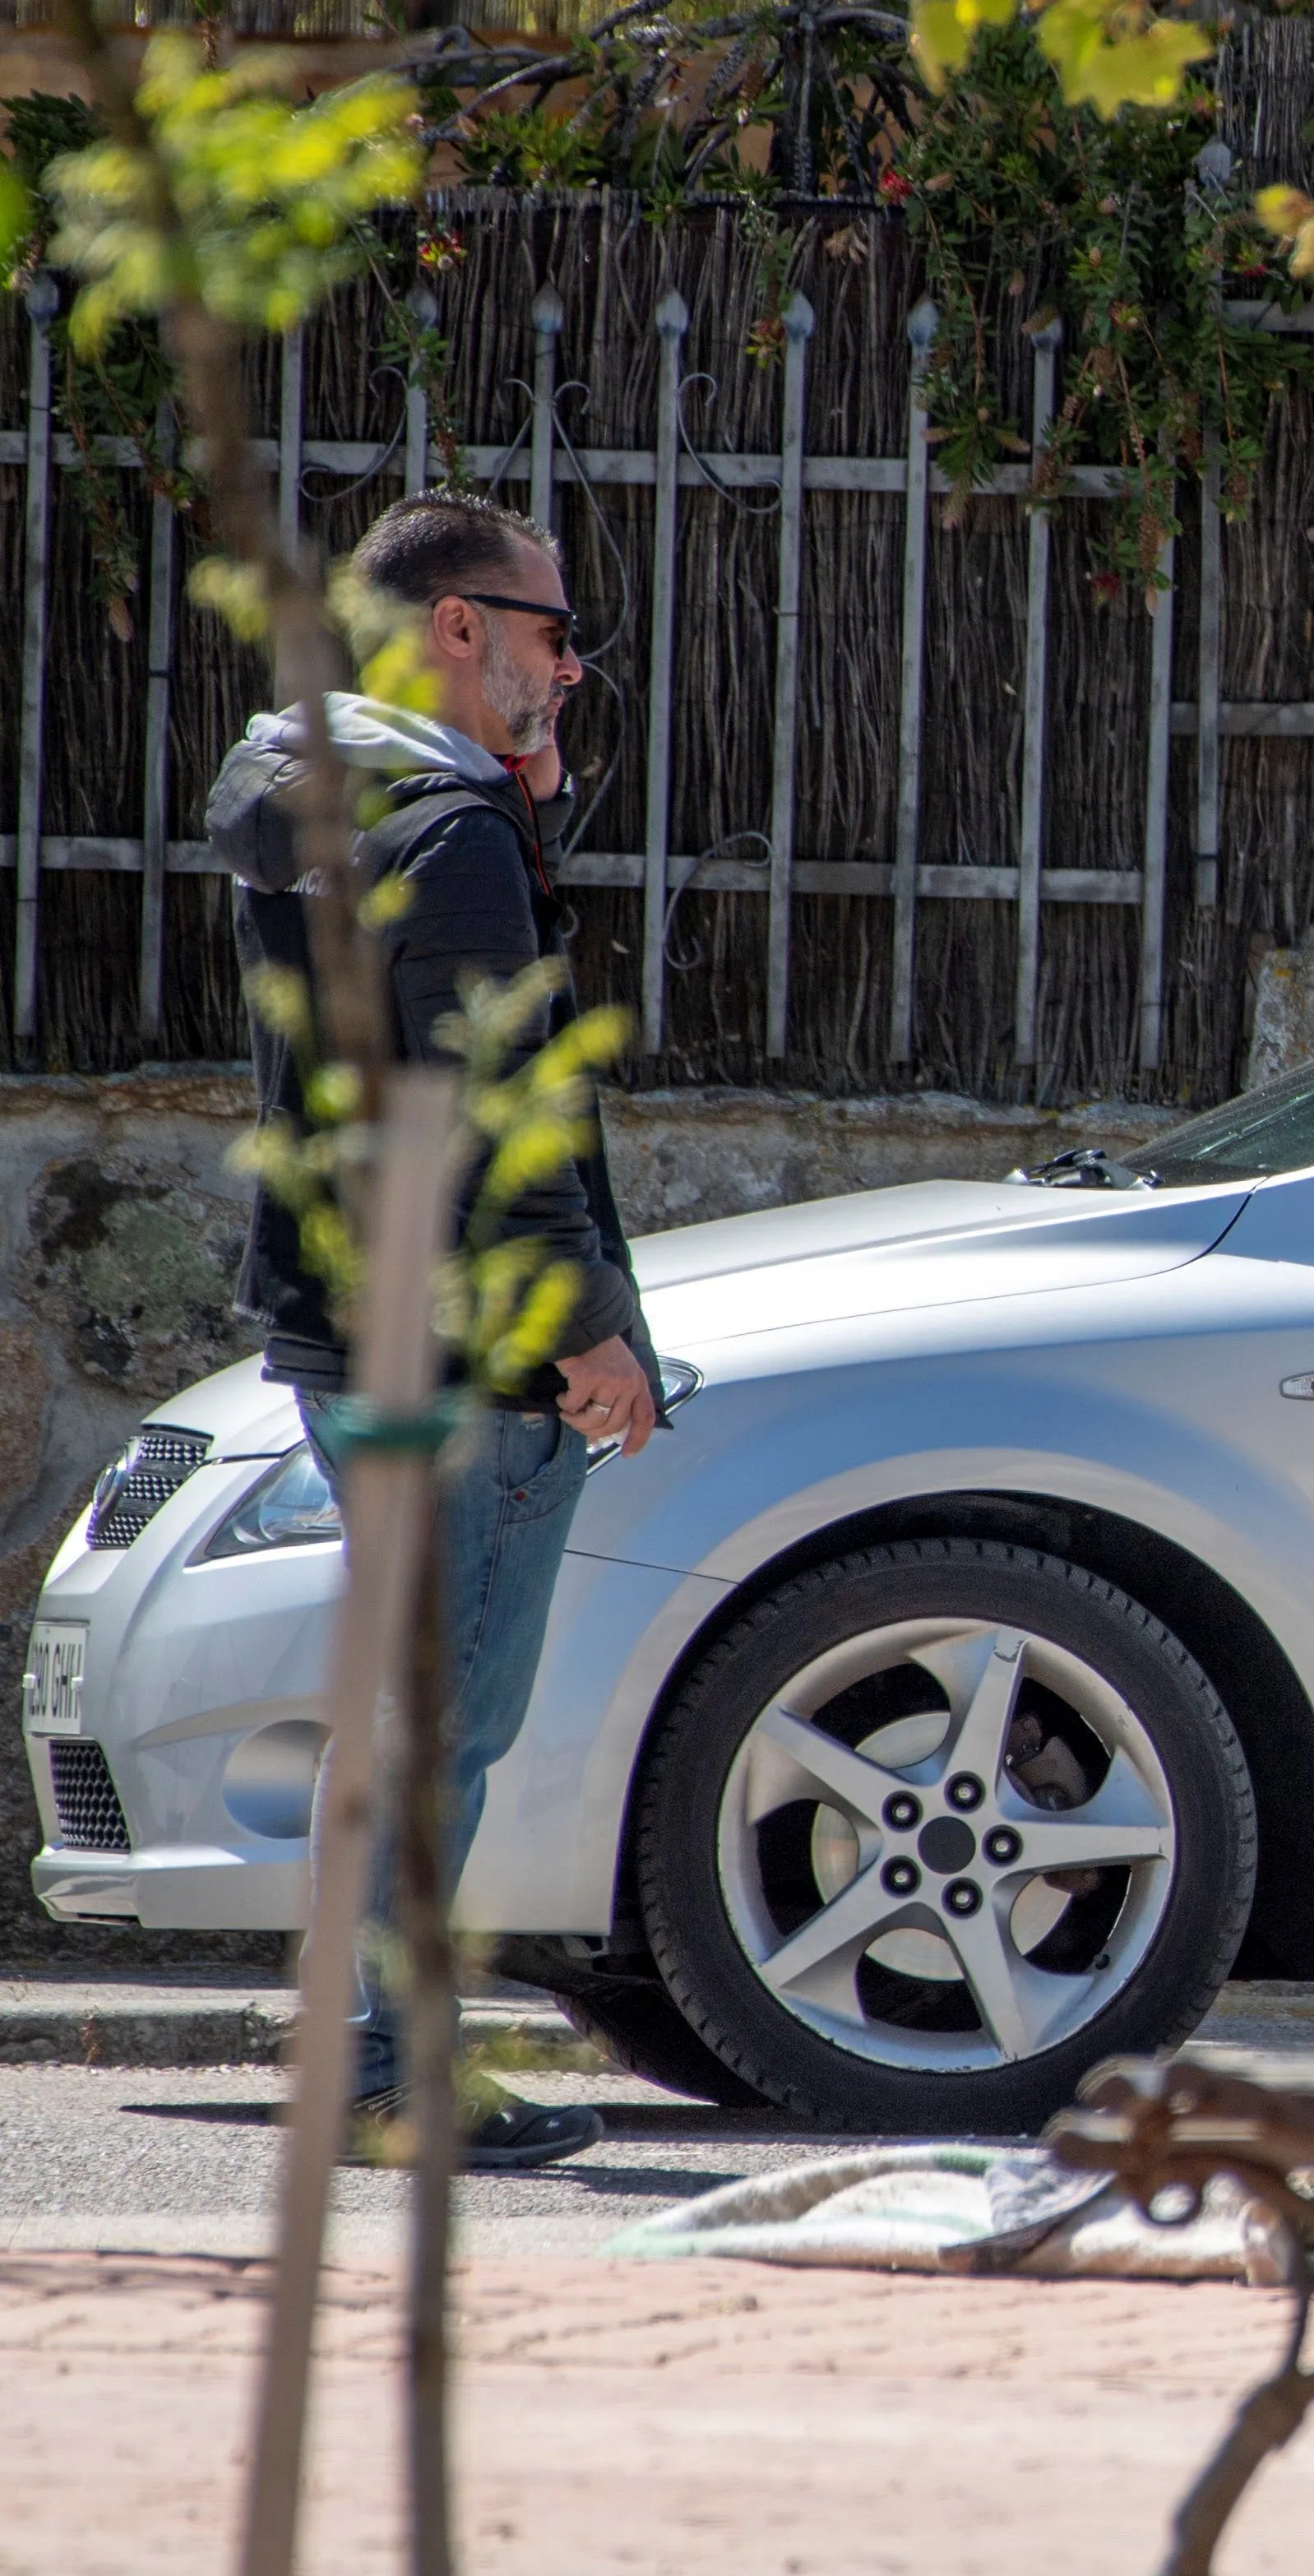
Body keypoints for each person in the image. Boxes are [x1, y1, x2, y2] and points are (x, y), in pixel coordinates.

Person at [211, 490, 662, 2173]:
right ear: (457, 626)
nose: (568, 670)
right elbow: (495, 1107)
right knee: (445, 1730)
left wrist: (520, 800)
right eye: (551, 636)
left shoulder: (322, 798)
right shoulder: (449, 831)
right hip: (469, 1348)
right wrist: (585, 1330)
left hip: (344, 1319)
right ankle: (389, 2077)